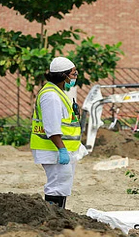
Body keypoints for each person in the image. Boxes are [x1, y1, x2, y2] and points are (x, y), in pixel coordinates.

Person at [30, 56, 86, 209]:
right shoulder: (51, 96)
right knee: (57, 186)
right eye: (73, 74)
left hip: (60, 149)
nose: (75, 77)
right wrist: (62, 149)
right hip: (54, 149)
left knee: (62, 185)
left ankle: (57, 216)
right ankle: (52, 217)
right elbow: (52, 126)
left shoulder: (58, 92)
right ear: (64, 75)